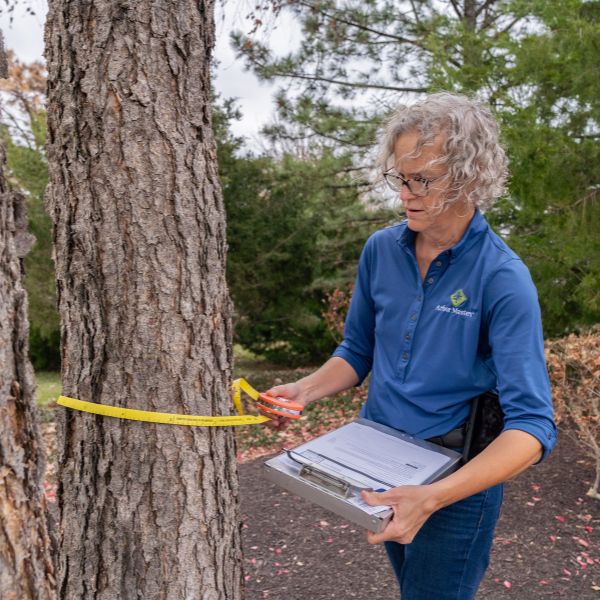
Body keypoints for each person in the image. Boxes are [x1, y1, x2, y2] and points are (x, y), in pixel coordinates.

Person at [264, 92, 557, 600]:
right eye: (402, 177)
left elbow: (533, 427)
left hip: (455, 482)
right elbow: (357, 351)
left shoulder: (503, 278)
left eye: (424, 180)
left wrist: (433, 497)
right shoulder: (382, 249)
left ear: (471, 176)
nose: (407, 193)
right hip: (378, 458)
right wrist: (304, 390)